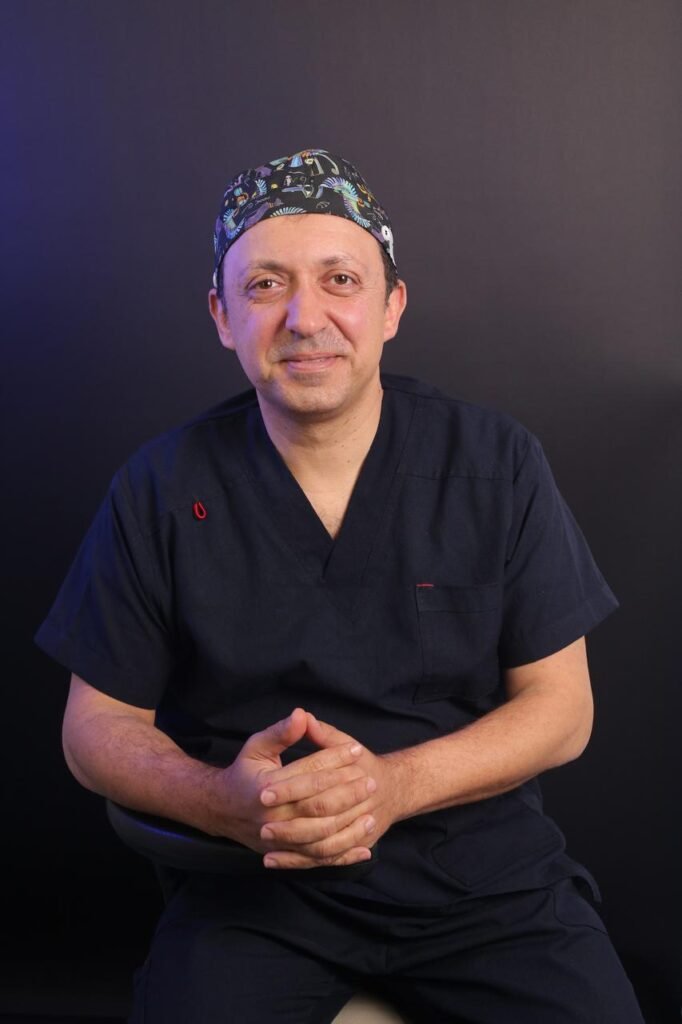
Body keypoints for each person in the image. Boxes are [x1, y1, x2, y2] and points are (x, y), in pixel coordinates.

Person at [35, 148, 645, 1023]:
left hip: (480, 882)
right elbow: (95, 727)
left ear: (391, 306)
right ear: (222, 316)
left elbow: (563, 709)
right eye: (265, 286)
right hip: (257, 886)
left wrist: (393, 786)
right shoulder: (161, 487)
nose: (304, 317)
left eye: (340, 280)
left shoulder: (494, 463)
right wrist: (221, 802)